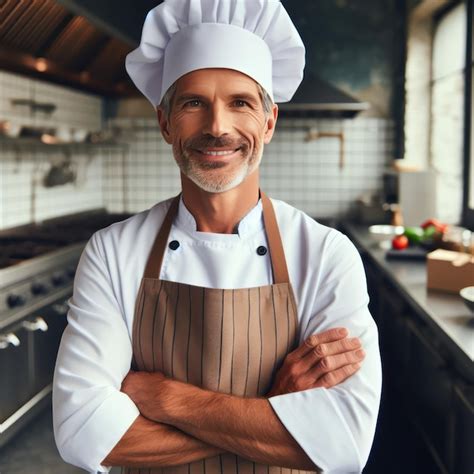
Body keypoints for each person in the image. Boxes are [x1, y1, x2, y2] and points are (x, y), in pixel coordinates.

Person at [52, 1, 382, 473]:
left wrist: (167, 398)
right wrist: (272, 407)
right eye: (192, 103)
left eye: (240, 103)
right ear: (165, 123)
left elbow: (343, 441)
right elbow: (83, 433)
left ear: (268, 123)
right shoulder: (114, 251)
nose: (217, 127)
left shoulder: (326, 255)